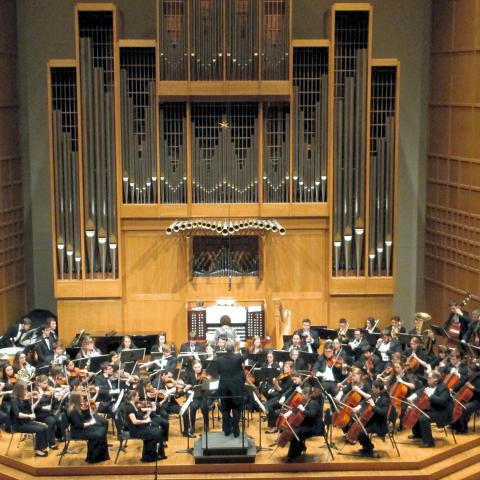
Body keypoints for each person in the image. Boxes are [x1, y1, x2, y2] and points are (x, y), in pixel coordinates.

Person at [408, 370, 453, 448]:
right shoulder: (430, 384)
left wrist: (430, 395)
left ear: (435, 379)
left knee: (423, 418)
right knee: (416, 410)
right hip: (432, 409)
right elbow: (421, 390)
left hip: (441, 412)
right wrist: (413, 396)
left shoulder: (444, 388)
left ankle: (429, 443)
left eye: (429, 378)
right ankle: (418, 434)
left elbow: (442, 401)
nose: (427, 379)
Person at [66, 391, 109, 463]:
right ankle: (93, 458)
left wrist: (86, 411)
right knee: (98, 435)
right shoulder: (73, 411)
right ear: (76, 399)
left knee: (101, 431)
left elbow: (83, 418)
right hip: (77, 432)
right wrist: (90, 423)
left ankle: (101, 456)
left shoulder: (76, 407)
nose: (82, 399)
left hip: (82, 429)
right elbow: (79, 425)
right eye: (81, 397)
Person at [10, 381, 50, 457]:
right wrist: (29, 416)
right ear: (19, 390)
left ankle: (42, 447)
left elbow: (31, 408)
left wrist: (38, 400)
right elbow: (18, 414)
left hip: (27, 421)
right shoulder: (14, 400)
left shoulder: (24, 398)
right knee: (40, 429)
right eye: (24, 389)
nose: (26, 391)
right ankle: (37, 450)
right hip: (20, 424)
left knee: (45, 427)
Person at [125, 390, 166, 462]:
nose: (138, 397)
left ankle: (158, 454)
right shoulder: (129, 408)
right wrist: (145, 421)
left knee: (159, 431)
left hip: (140, 427)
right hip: (136, 431)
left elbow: (140, 417)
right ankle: (149, 457)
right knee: (156, 432)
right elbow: (134, 421)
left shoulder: (134, 405)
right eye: (137, 396)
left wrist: (148, 413)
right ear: (132, 397)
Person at [286, 384, 325, 461]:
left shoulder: (313, 403)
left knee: (297, 432)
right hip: (310, 424)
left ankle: (293, 455)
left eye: (303, 394)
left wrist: (303, 410)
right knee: (296, 430)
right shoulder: (307, 402)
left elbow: (311, 414)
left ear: (308, 395)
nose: (302, 396)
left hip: (316, 427)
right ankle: (299, 450)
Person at [216, 340, 245, 437]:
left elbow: (218, 372)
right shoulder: (238, 358)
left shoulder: (219, 359)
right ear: (233, 348)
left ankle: (227, 430)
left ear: (225, 347)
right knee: (236, 408)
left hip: (224, 387)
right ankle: (236, 431)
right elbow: (246, 355)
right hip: (236, 388)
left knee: (225, 409)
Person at [356, 380, 391, 457]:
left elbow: (383, 413)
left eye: (373, 388)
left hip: (380, 424)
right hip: (372, 420)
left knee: (362, 431)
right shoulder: (375, 394)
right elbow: (365, 401)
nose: (372, 389)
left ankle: (369, 451)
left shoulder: (385, 398)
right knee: (357, 427)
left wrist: (373, 406)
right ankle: (367, 447)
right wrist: (357, 408)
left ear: (378, 388)